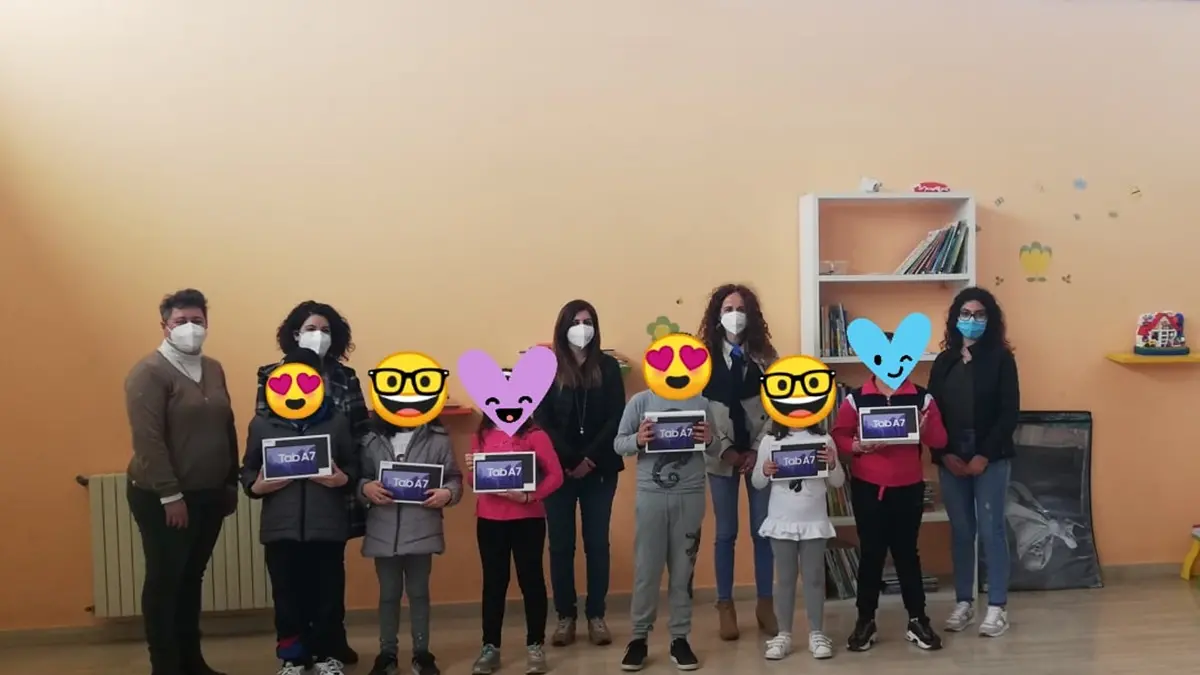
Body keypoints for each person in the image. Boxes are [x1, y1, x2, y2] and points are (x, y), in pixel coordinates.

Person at [125, 289, 239, 675]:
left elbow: (227, 426)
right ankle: (166, 665)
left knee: (191, 578)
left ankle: (192, 662)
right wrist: (170, 495)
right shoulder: (149, 373)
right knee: (165, 580)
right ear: (165, 326)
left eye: (197, 320)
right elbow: (148, 440)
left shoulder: (214, 369)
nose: (190, 327)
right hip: (163, 496)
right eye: (181, 321)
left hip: (209, 493)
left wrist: (229, 482)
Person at [255, 300, 367, 664]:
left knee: (328, 580)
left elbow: (360, 432)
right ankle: (296, 651)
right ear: (294, 334)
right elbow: (264, 432)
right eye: (310, 329)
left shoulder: (345, 377)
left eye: (325, 330)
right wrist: (260, 479)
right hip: (286, 499)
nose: (318, 336)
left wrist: (347, 477)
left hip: (330, 497)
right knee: (289, 583)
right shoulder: (272, 375)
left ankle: (330, 646)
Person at [830, 342, 948, 652]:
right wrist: (856, 446)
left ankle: (918, 620)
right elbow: (839, 435)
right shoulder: (856, 398)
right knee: (871, 554)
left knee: (907, 554)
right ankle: (865, 621)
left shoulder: (922, 398)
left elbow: (940, 440)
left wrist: (925, 428)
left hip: (908, 487)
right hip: (868, 487)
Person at [927, 287, 1020, 638]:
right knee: (962, 530)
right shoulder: (944, 361)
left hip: (990, 459)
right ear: (955, 318)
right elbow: (931, 412)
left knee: (992, 530)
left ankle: (997, 607)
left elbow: (1009, 413)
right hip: (951, 458)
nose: (972, 320)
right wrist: (944, 454)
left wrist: (984, 455)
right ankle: (964, 602)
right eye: (966, 314)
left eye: (980, 314)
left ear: (990, 319)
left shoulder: (1001, 359)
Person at [614, 385, 726, 671]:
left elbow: (716, 449)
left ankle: (680, 638)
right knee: (646, 570)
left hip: (690, 496)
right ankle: (638, 638)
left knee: (683, 571)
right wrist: (638, 439)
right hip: (650, 495)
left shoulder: (701, 402)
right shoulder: (641, 401)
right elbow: (619, 443)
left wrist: (709, 439)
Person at [535, 300, 626, 648]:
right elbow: (541, 419)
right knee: (561, 546)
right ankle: (565, 617)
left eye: (588, 321)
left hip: (600, 469)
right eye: (575, 321)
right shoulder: (548, 367)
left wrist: (589, 458)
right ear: (563, 327)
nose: (582, 328)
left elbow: (616, 417)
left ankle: (596, 615)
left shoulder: (608, 367)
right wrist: (569, 459)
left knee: (597, 544)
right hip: (556, 470)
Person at [697, 284, 778, 640]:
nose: (735, 315)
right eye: (728, 308)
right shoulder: (702, 359)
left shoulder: (766, 357)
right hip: (719, 456)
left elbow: (777, 405)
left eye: (741, 308)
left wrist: (758, 449)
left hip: (759, 454)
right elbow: (700, 410)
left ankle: (765, 605)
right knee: (725, 533)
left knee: (763, 531)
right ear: (717, 315)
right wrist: (726, 449)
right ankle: (725, 605)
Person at [358, 412, 463, 675]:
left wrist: (448, 493)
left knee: (419, 593)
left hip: (421, 530)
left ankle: (422, 653)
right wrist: (365, 488)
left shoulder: (438, 439)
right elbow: (360, 477)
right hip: (384, 532)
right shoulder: (372, 439)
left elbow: (454, 478)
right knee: (388, 594)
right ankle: (387, 654)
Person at [466, 414, 564, 675]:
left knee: (531, 582)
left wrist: (530, 496)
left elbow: (556, 476)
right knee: (493, 583)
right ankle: (490, 647)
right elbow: (473, 481)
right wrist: (474, 469)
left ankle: (535, 645)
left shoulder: (535, 435)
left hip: (528, 520)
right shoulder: (481, 435)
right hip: (489, 520)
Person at [751, 423, 844, 661]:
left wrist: (832, 463)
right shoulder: (770, 440)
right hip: (782, 521)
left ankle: (817, 632)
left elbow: (838, 481)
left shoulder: (824, 438)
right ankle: (784, 634)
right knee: (785, 580)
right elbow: (757, 482)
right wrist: (765, 470)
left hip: (814, 521)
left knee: (814, 578)